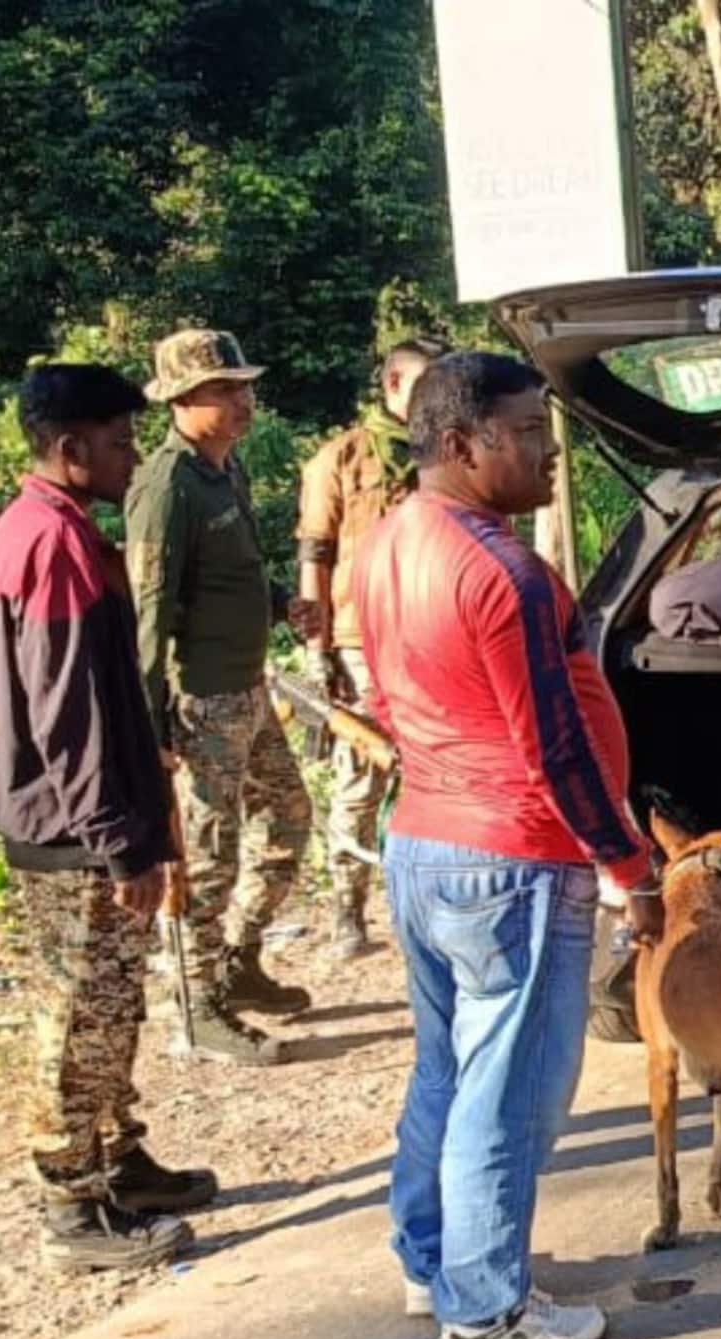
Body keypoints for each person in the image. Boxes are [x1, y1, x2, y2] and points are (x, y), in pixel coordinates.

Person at [354, 350, 661, 1339]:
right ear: (461, 443)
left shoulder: (388, 544)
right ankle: (486, 1312)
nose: (549, 451)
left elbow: (387, 701)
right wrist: (627, 865)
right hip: (512, 858)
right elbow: (555, 746)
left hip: (426, 842)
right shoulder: (502, 571)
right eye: (528, 432)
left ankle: (434, 1261)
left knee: (449, 1069)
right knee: (509, 1090)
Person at [0, 365, 221, 1270]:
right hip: (72, 831)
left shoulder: (58, 529)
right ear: (70, 447)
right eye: (121, 442)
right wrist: (119, 842)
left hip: (92, 818)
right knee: (77, 1018)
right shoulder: (48, 541)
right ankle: (71, 1205)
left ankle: (118, 1159)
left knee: (113, 1005)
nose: (135, 457)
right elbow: (67, 712)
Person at [126, 328, 318, 1065]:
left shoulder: (224, 469)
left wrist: (280, 603)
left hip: (249, 688)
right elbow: (150, 612)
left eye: (244, 387)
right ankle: (195, 1003)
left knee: (288, 820)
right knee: (208, 857)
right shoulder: (166, 486)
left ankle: (238, 960)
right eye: (224, 391)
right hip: (201, 700)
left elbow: (231, 574)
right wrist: (151, 729)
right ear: (180, 401)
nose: (244, 401)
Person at [297, 337, 447, 958]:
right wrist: (318, 650)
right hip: (360, 638)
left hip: (431, 633)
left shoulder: (445, 452)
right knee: (361, 776)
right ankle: (347, 910)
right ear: (392, 385)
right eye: (424, 385)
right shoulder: (340, 458)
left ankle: (425, 902)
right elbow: (314, 553)